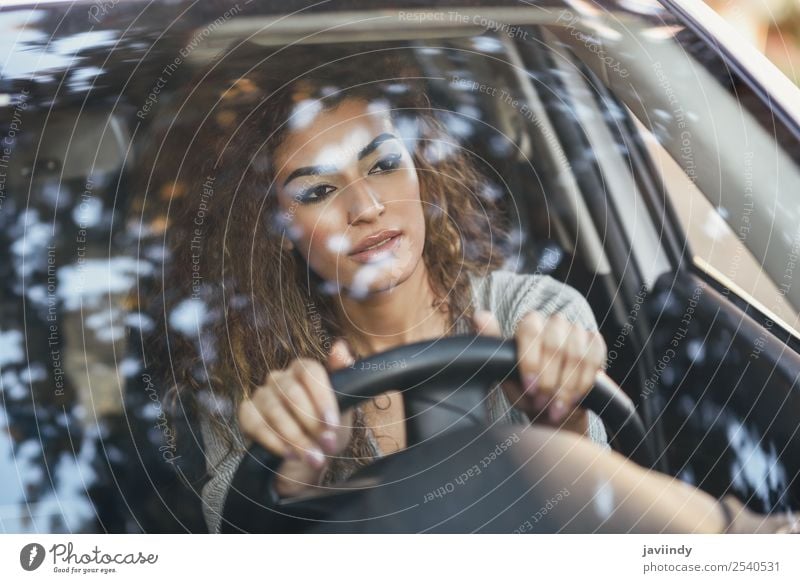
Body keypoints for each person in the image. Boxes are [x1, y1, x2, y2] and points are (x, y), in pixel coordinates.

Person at [141, 44, 796, 535]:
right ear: (280, 228)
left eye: (384, 163)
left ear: (420, 172)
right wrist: (291, 470)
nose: (366, 205)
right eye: (317, 190)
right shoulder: (250, 380)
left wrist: (559, 422)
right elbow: (237, 545)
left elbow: (595, 531)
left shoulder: (531, 313)